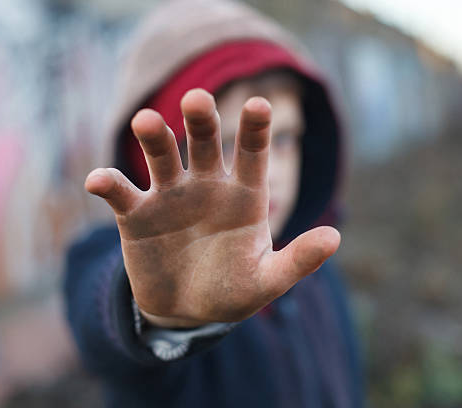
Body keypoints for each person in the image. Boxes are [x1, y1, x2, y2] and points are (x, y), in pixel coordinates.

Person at [63, 0, 363, 406]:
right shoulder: (107, 263)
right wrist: (158, 317)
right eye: (225, 145)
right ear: (154, 160)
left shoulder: (314, 268)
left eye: (285, 139)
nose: (268, 173)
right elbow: (101, 322)